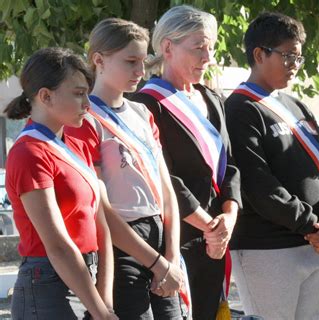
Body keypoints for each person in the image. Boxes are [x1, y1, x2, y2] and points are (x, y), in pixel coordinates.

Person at [224, 12, 319, 319]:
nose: (295, 65)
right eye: (288, 56)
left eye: (299, 58)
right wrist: (312, 225)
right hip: (267, 247)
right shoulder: (239, 109)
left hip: (314, 243)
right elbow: (257, 182)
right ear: (259, 54)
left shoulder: (296, 105)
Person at [66, 18, 184, 319]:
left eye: (143, 62)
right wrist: (157, 263)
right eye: (131, 61)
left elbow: (166, 190)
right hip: (122, 245)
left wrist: (171, 255)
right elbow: (101, 209)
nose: (140, 72)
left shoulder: (142, 112)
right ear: (99, 60)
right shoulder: (84, 119)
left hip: (161, 237)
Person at [132, 5, 242, 319]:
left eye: (211, 47)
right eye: (198, 47)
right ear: (167, 47)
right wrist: (209, 227)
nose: (208, 56)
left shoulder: (212, 98)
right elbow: (163, 176)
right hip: (177, 240)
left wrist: (228, 218)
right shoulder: (145, 104)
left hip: (218, 237)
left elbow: (230, 164)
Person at [5, 47, 117, 319]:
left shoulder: (75, 144)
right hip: (47, 288)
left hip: (85, 283)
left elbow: (100, 223)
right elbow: (56, 244)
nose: (87, 104)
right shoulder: (28, 152)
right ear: (46, 96)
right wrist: (100, 310)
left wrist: (104, 302)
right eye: (78, 94)